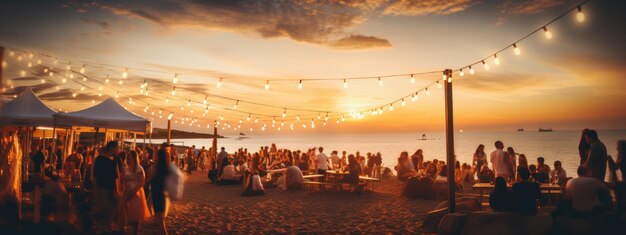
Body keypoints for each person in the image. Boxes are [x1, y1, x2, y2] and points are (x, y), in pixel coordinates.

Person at [92, 141, 121, 233]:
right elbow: (115, 177)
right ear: (112, 148)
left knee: (107, 210)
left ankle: (103, 229)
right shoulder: (104, 159)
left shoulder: (113, 160)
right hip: (105, 188)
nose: (118, 150)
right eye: (117, 147)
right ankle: (102, 229)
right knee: (106, 210)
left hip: (107, 188)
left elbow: (116, 177)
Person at [124, 151, 150, 235]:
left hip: (136, 194)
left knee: (135, 217)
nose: (128, 158)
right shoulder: (127, 168)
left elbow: (141, 182)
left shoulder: (139, 168)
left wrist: (133, 192)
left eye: (129, 156)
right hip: (127, 192)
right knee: (127, 216)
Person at [147, 146, 171, 235]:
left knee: (159, 218)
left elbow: (148, 179)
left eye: (155, 155)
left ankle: (164, 233)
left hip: (156, 193)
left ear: (158, 157)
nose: (153, 156)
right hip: (163, 192)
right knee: (160, 216)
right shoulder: (166, 167)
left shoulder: (155, 167)